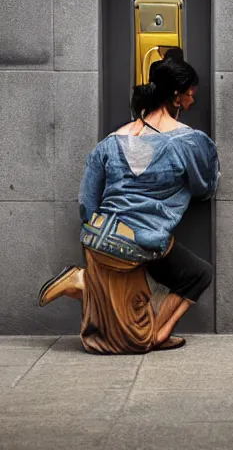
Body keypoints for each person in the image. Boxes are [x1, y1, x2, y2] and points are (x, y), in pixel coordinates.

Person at [38, 47, 219, 354]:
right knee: (200, 274)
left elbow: (86, 204)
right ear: (177, 95)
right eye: (191, 94)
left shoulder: (110, 142)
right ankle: (156, 337)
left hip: (98, 240)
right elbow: (205, 185)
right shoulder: (188, 142)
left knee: (126, 303)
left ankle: (88, 281)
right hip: (141, 243)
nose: (192, 100)